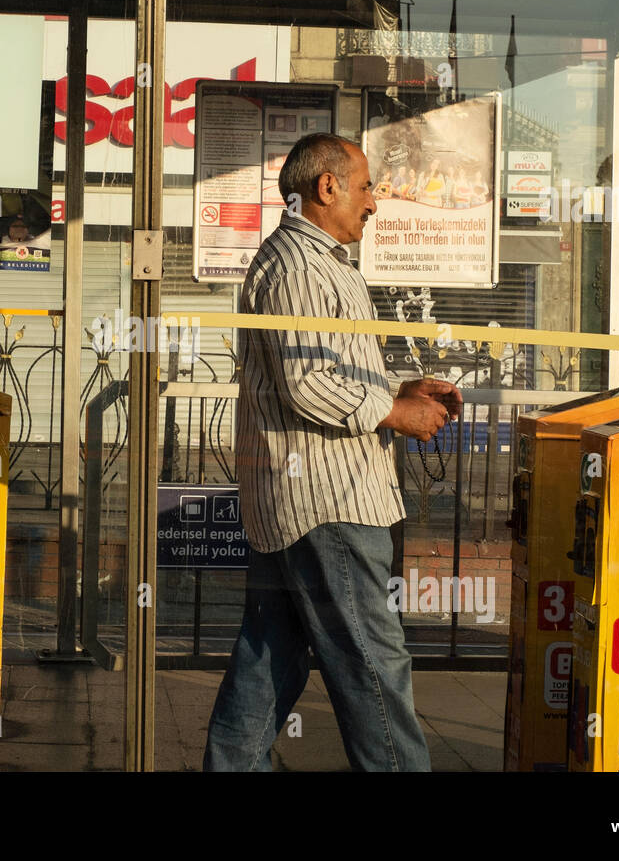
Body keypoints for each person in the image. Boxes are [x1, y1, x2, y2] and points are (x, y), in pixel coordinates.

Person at [204, 132, 462, 772]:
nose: (374, 203)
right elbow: (308, 383)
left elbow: (324, 373)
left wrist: (397, 392)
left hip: (306, 502)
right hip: (329, 502)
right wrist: (393, 412)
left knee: (270, 656)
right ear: (328, 188)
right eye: (367, 186)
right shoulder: (298, 268)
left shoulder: (315, 262)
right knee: (372, 662)